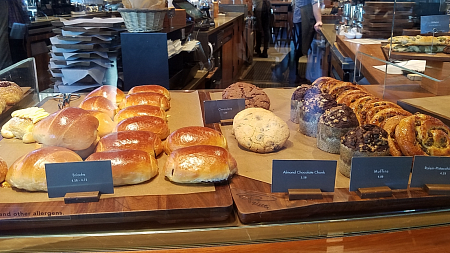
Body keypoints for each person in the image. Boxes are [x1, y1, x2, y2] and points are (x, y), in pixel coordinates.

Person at [292, 0, 322, 81]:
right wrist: (319, 20)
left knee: (300, 47)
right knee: (301, 48)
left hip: (300, 17)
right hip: (303, 18)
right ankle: (290, 73)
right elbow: (315, 3)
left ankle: (289, 72)